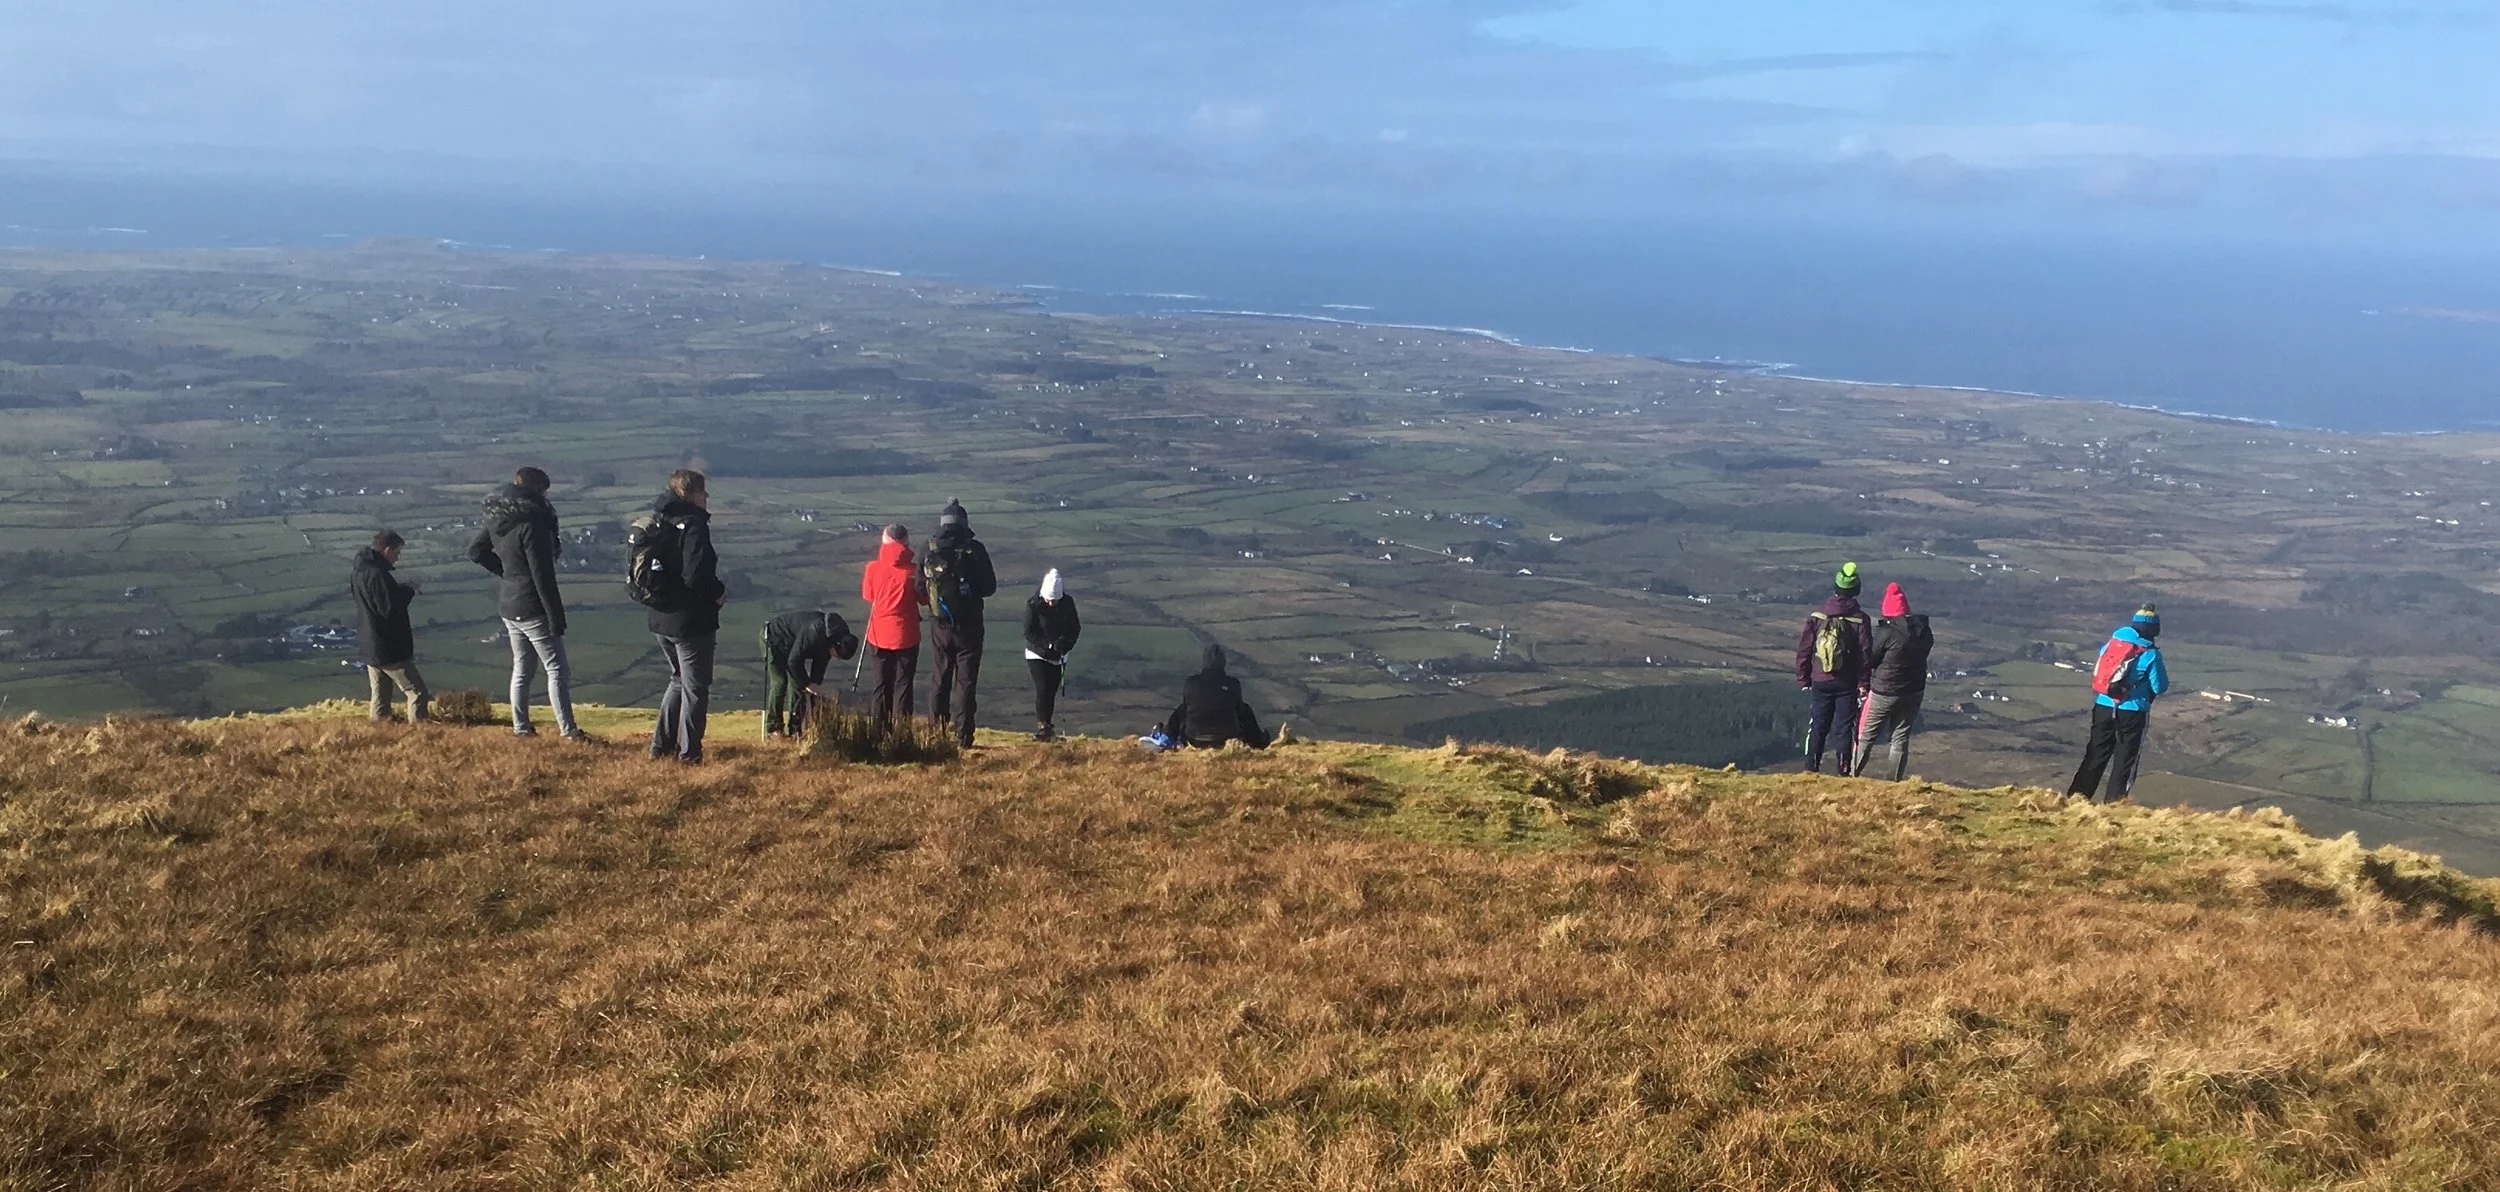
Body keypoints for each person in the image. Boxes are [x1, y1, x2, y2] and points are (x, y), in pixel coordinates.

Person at [469, 466, 585, 740]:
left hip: (509, 604)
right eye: (545, 491)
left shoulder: (499, 517)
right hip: (532, 606)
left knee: (522, 668)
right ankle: (569, 732)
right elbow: (542, 576)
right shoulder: (533, 525)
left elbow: (476, 551)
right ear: (538, 491)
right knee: (557, 669)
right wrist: (556, 617)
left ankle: (521, 728)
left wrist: (508, 574)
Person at [645, 470, 726, 765]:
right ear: (690, 494)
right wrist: (718, 593)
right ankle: (689, 755)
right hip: (690, 621)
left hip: (660, 617)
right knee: (695, 687)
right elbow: (697, 574)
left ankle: (660, 747)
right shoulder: (693, 525)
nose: (707, 497)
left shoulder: (660, 519)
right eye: (703, 492)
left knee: (679, 680)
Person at [2069, 605, 2172, 804]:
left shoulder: (2112, 644)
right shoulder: (2150, 653)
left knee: (2095, 754)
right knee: (2125, 760)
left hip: (2103, 706)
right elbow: (2160, 686)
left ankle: (2076, 800)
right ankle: (2113, 805)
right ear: (2154, 630)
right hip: (2133, 711)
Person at [920, 499, 999, 749]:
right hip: (970, 626)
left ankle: (937, 733)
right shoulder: (974, 549)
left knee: (940, 678)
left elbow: (918, 587)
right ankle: (963, 736)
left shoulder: (928, 548)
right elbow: (990, 587)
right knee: (966, 681)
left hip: (940, 625)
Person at [1795, 562, 1875, 775]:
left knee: (1818, 726)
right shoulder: (1861, 619)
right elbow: (1865, 655)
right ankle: (1843, 770)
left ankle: (1810, 769)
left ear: (1836, 587)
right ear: (1856, 590)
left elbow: (1805, 648)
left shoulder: (1817, 616)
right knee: (1844, 728)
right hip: (1846, 683)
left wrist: (1803, 677)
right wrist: (1863, 683)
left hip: (1820, 680)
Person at [1852, 582, 1933, 782]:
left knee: (1866, 736)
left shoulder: (1887, 633)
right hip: (1914, 690)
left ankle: (1851, 776)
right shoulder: (1924, 631)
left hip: (1884, 691)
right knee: (1900, 737)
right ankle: (1893, 781)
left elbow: (1870, 659)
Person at [350, 530, 430, 723]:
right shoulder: (377, 574)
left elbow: (378, 600)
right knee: (417, 692)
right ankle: (421, 732)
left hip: (371, 644)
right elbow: (389, 609)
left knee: (380, 695)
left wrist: (397, 589)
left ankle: (379, 732)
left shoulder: (359, 571)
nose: (398, 557)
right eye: (397, 552)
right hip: (388, 646)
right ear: (387, 550)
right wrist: (408, 591)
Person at [860, 524, 923, 732]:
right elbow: (923, 599)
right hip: (907, 635)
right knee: (904, 684)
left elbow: (868, 596)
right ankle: (902, 732)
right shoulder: (914, 571)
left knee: (881, 684)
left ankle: (879, 730)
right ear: (906, 543)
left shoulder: (872, 568)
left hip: (878, 634)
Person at [761, 610, 860, 739]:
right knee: (780, 683)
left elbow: (819, 667)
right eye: (838, 656)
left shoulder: (833, 637)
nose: (837, 658)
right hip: (774, 638)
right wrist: (807, 684)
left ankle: (795, 730)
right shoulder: (815, 632)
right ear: (835, 646)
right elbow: (794, 661)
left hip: (792, 646)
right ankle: (773, 728)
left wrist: (813, 687)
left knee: (797, 686)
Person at [1162, 643, 1271, 750]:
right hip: (1227, 738)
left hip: (1195, 739)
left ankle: (1166, 737)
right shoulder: (1233, 684)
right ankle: (1258, 741)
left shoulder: (1191, 683)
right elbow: (1240, 711)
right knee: (1245, 710)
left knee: (1183, 709)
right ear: (1223, 662)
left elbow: (1187, 709)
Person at [1022, 568, 1081, 741]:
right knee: (1043, 689)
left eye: (1054, 601)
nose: (1050, 603)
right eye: (1048, 600)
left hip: (1060, 655)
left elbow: (1074, 628)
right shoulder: (1033, 604)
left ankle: (1047, 726)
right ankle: (1043, 727)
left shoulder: (1067, 603)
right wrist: (1048, 645)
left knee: (1052, 691)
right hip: (1037, 654)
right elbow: (1029, 632)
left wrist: (1065, 644)